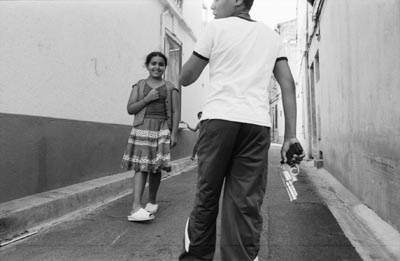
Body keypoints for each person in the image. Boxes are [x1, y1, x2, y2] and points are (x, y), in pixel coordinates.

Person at [178, 0, 305, 260]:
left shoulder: (215, 29)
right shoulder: (272, 36)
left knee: (207, 195)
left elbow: (186, 77)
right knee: (245, 202)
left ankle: (197, 257)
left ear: (237, 1)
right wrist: (291, 135)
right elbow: (288, 84)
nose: (212, 5)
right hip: (256, 126)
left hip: (219, 121)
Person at [120, 51, 180, 222]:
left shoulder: (170, 88)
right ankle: (136, 206)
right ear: (147, 65)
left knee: (155, 167)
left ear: (164, 67)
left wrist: (174, 133)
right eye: (153, 63)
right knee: (141, 167)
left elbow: (175, 111)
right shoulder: (139, 86)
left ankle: (152, 201)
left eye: (161, 64)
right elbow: (130, 109)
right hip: (142, 128)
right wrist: (147, 99)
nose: (157, 67)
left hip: (162, 129)